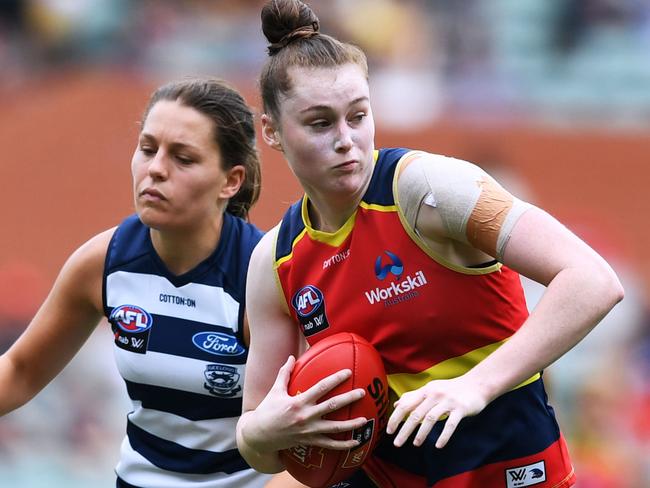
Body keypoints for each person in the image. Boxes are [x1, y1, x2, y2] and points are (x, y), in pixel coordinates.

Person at [235, 1, 625, 487]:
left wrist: (474, 387)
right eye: (320, 123)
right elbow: (257, 442)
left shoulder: (429, 190)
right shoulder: (276, 260)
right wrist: (270, 431)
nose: (346, 140)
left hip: (510, 469)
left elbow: (593, 280)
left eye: (358, 116)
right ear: (271, 131)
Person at [0, 77, 274, 488]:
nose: (155, 169)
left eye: (183, 158)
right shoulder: (104, 262)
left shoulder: (263, 276)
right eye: (147, 149)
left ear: (230, 181)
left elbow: (307, 446)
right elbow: (20, 372)